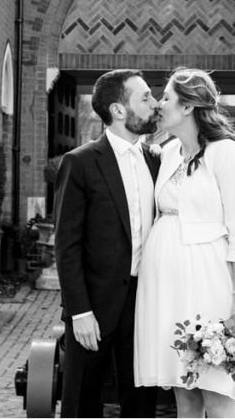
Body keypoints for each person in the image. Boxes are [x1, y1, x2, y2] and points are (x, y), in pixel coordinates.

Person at [134, 67, 235, 418]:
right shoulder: (168, 153)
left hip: (208, 281)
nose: (159, 104)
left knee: (217, 390)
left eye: (166, 97)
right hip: (166, 288)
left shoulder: (226, 154)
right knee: (185, 393)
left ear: (188, 107)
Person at [54, 69, 161, 418]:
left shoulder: (157, 161)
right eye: (145, 97)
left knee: (141, 401)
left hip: (145, 302)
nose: (154, 103)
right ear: (118, 110)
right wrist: (79, 312)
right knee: (83, 403)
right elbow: (66, 245)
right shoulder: (80, 162)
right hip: (93, 307)